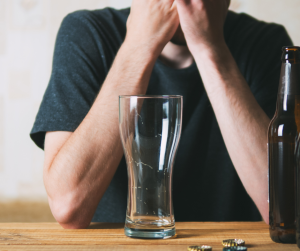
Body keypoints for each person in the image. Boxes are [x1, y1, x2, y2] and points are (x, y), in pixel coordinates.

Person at [30, 0, 292, 229]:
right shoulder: (87, 32)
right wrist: (138, 45)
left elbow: (287, 210)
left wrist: (210, 49)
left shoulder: (267, 43)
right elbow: (68, 206)